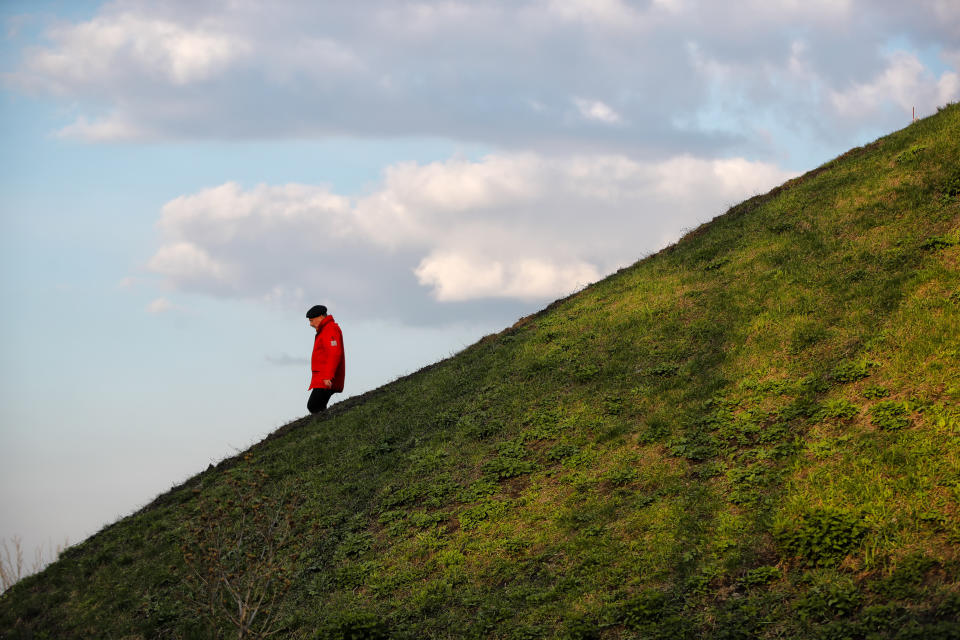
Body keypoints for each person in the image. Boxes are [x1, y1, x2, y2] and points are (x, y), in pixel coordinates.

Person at [306, 305, 345, 413]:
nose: (310, 324)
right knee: (316, 405)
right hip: (322, 378)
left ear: (320, 317)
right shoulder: (325, 330)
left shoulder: (330, 329)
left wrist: (328, 376)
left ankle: (328, 426)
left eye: (312, 320)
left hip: (325, 378)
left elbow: (334, 353)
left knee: (314, 405)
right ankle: (327, 426)